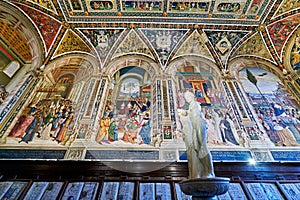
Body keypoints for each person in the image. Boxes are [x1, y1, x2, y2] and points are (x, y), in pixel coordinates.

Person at [178, 91, 215, 179]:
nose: (187, 98)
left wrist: (184, 114)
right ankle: (199, 172)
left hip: (198, 125)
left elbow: (195, 117)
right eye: (185, 96)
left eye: (188, 96)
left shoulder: (195, 104)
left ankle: (209, 171)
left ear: (192, 96)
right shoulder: (191, 106)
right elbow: (190, 118)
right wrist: (184, 114)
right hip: (194, 128)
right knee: (196, 148)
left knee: (202, 147)